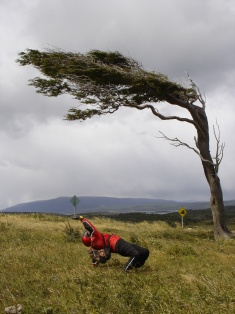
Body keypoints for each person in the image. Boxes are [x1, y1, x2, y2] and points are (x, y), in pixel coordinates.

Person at [79, 216, 149, 271]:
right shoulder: (95, 237)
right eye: (88, 234)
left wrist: (94, 265)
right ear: (89, 238)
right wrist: (82, 218)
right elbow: (89, 226)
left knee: (145, 252)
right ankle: (125, 270)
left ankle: (135, 267)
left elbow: (94, 256)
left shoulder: (95, 246)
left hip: (118, 244)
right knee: (135, 254)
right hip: (117, 243)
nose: (89, 233)